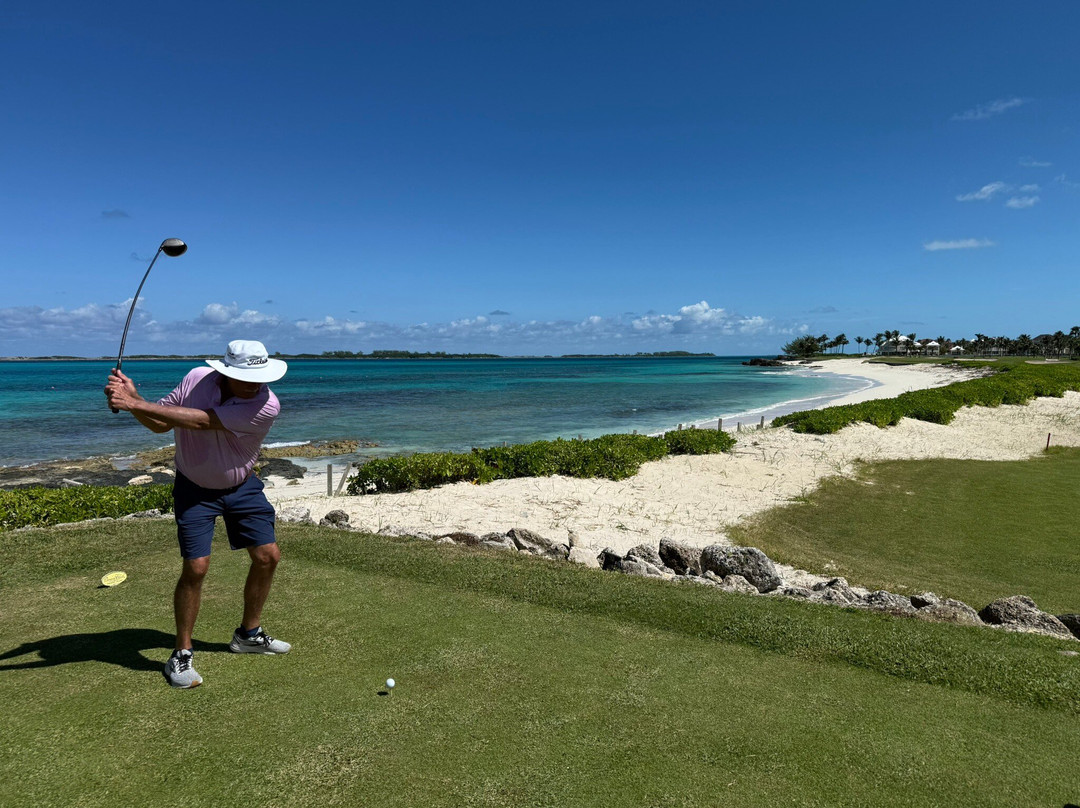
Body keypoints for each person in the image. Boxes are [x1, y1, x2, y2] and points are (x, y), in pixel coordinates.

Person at [105, 340, 291, 689]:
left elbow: (204, 422)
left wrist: (133, 401)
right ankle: (181, 652)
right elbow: (161, 424)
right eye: (246, 376)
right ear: (225, 372)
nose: (256, 384)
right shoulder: (196, 378)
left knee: (268, 556)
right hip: (194, 489)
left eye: (260, 376)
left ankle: (248, 634)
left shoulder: (266, 404)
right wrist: (133, 401)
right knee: (196, 567)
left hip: (241, 485)